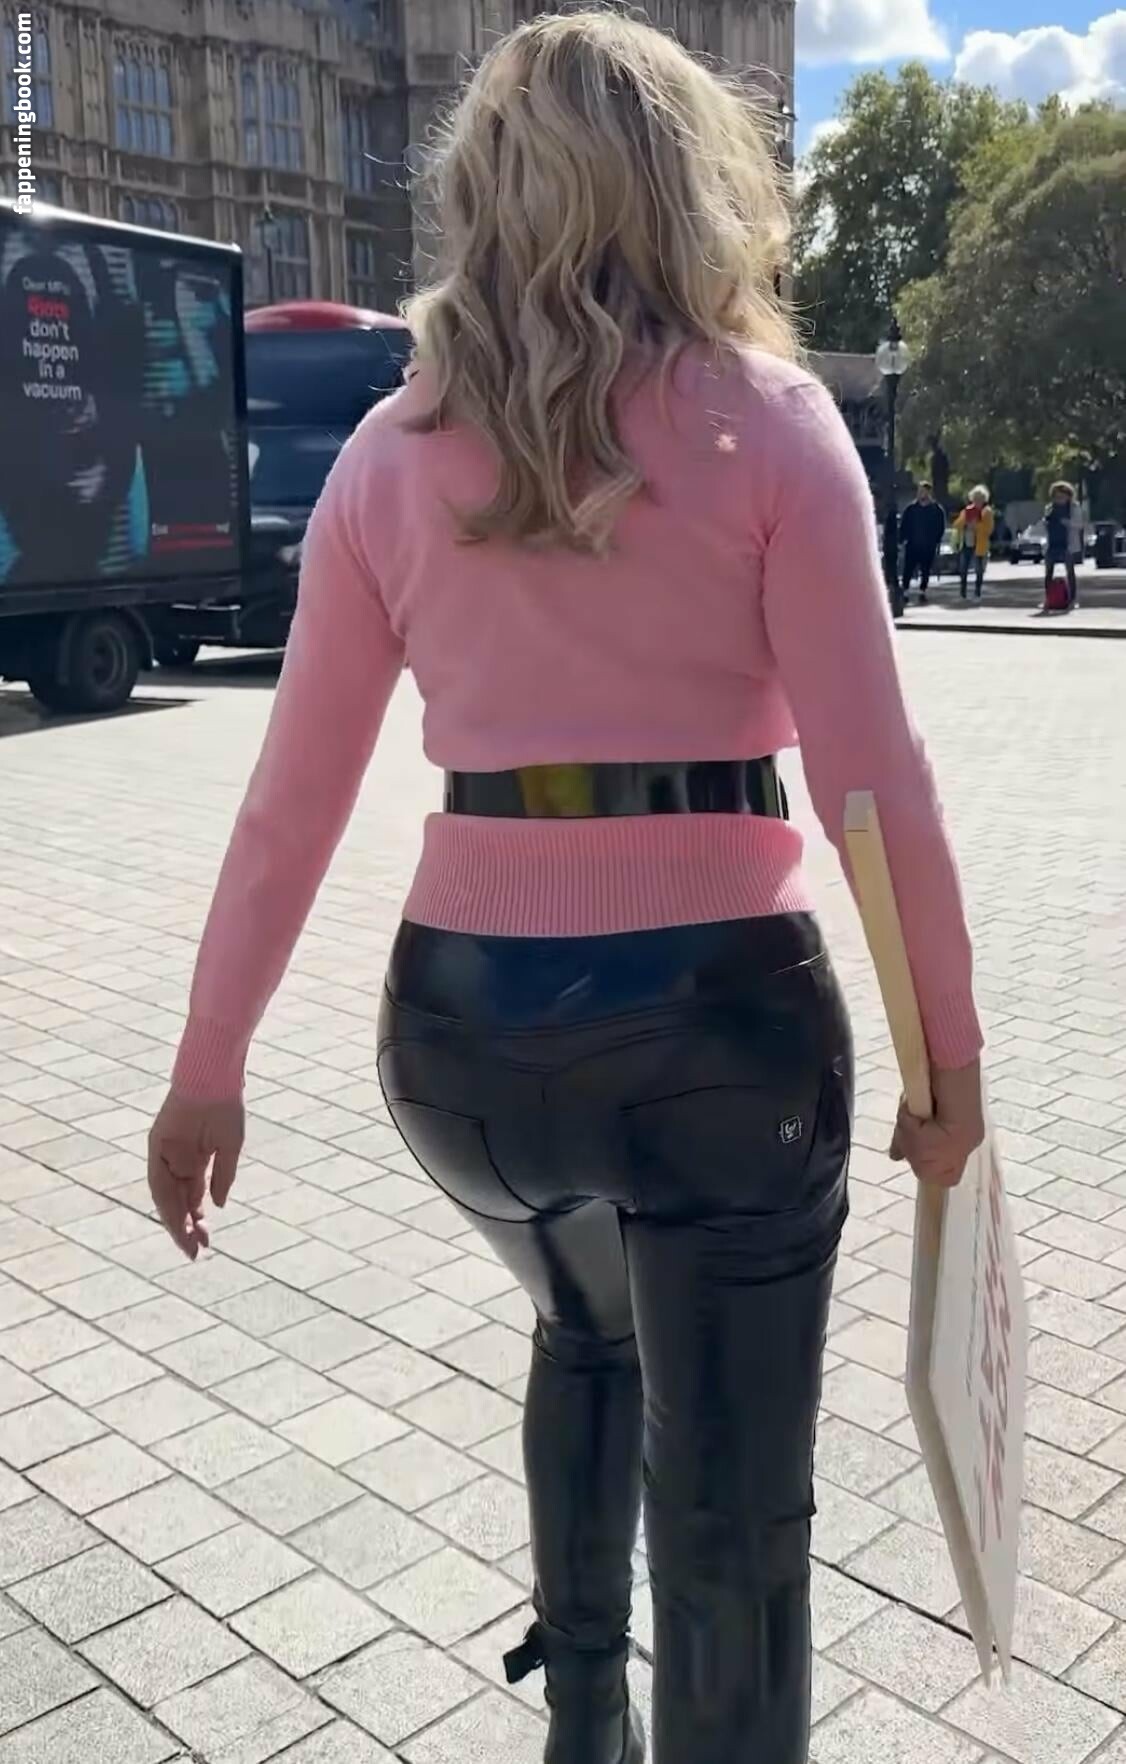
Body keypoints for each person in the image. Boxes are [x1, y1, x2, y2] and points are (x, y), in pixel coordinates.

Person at [146, 16, 984, 1764]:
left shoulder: (388, 450)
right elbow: (873, 788)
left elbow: (291, 802)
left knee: (587, 1327)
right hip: (721, 1032)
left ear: (482, 197)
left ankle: (583, 1719)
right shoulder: (772, 425)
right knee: (733, 1516)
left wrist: (206, 1068)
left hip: (467, 1043)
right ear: (691, 188)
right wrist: (946, 1062)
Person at [899, 481, 946, 602]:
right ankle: (905, 591)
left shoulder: (936, 510)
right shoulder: (911, 509)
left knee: (925, 569)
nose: (921, 493)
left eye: (923, 491)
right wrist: (902, 539)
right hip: (912, 544)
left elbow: (941, 527)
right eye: (919, 491)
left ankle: (922, 591)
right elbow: (904, 525)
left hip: (928, 545)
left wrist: (936, 540)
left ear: (929, 492)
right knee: (908, 569)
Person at [1045, 480, 1082, 609]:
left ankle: (1072, 600)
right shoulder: (1049, 508)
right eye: (1056, 496)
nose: (1059, 499)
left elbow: (1079, 524)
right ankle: (1049, 599)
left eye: (1061, 496)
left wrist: (1068, 523)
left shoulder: (1074, 508)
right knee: (1048, 572)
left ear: (1068, 496)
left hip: (1068, 544)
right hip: (1052, 544)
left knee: (1070, 571)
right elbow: (1045, 523)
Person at [953, 485, 994, 599]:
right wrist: (965, 522)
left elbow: (989, 529)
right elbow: (956, 525)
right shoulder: (967, 511)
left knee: (979, 570)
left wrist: (976, 525)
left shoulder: (987, 512)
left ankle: (977, 592)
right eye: (975, 498)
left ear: (984, 499)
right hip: (966, 544)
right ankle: (963, 592)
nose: (977, 501)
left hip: (980, 545)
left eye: (980, 498)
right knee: (963, 569)